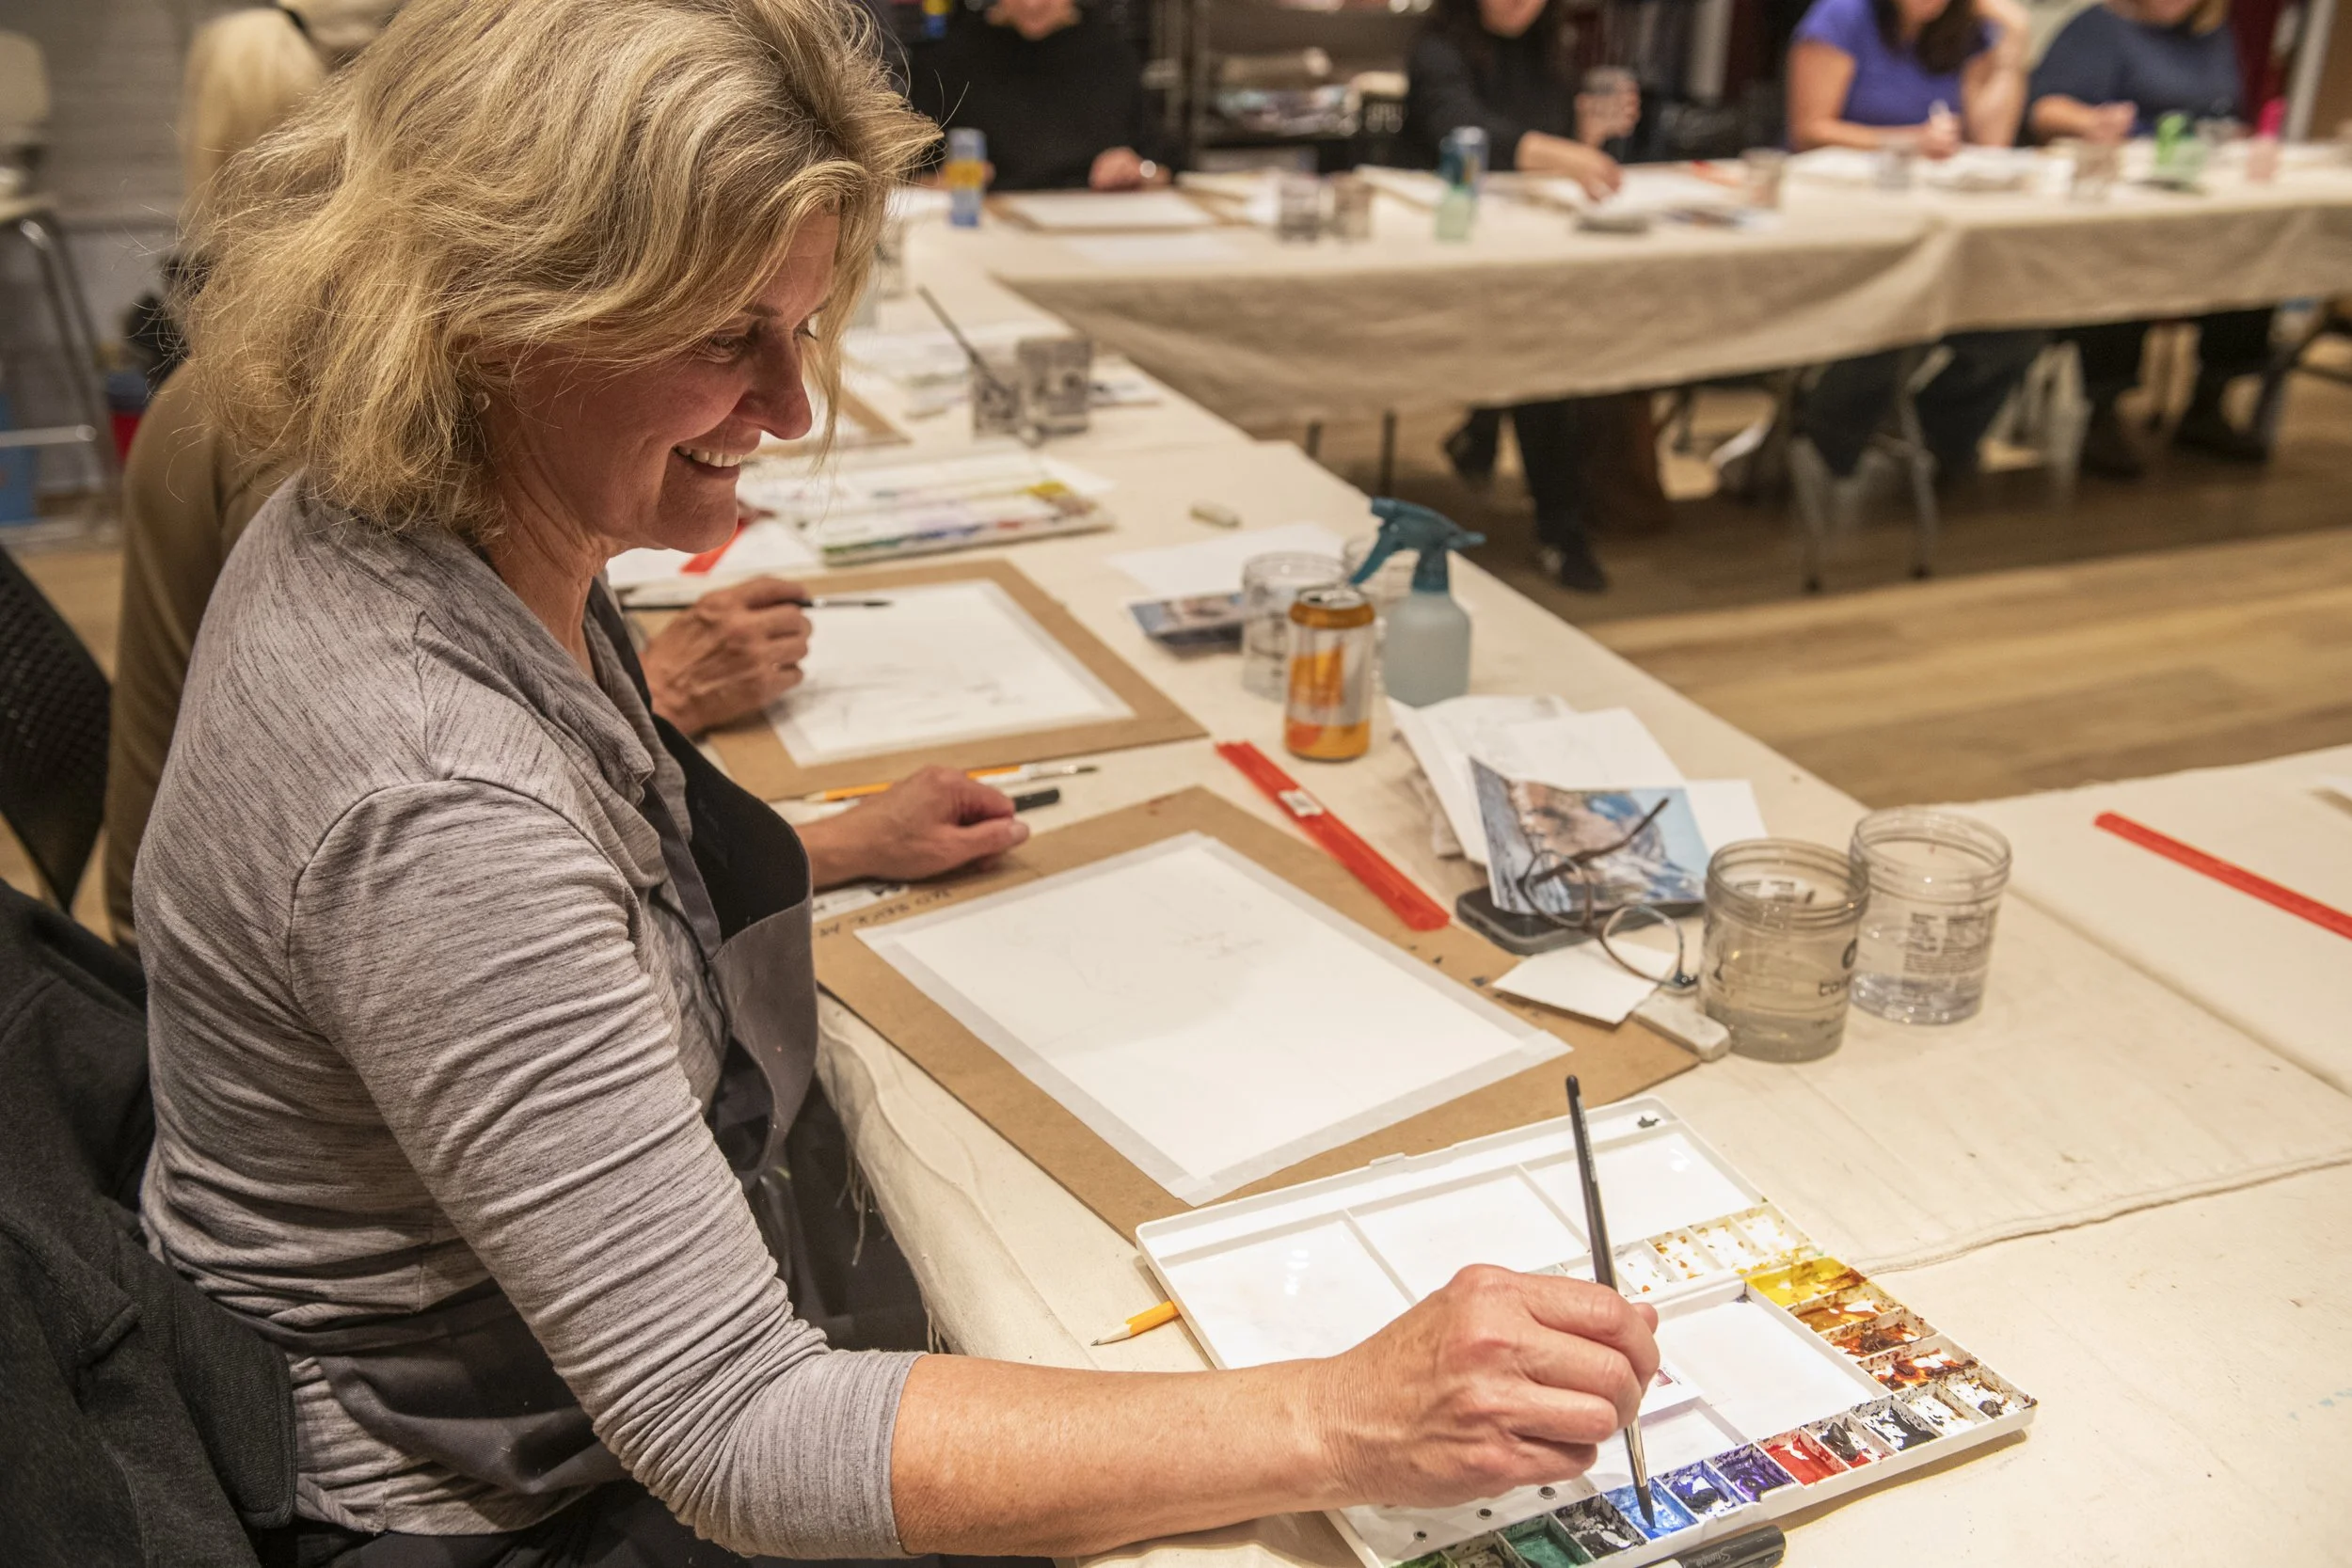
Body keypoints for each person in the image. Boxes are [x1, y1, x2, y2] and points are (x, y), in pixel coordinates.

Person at [146, 3, 1661, 1564]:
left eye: (802, 328)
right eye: (726, 338)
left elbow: (551, 908)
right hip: (487, 1494)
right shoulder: (429, 797)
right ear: (493, 314)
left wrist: (831, 841)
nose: (791, 407)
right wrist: (1343, 1415)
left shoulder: (437, 517)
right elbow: (739, 1429)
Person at [102, 0, 815, 948]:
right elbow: (433, 798)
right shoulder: (340, 445)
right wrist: (663, 691)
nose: (795, 414)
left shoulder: (302, 385)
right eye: (716, 332)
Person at [1405, 0, 1655, 594]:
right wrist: (1567, 153)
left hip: (1525, 245)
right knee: (1539, 338)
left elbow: (1549, 147)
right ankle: (1559, 524)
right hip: (1443, 246)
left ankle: (1490, 434)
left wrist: (1590, 136)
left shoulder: (1551, 49)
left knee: (1557, 327)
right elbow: (1461, 132)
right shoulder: (1436, 48)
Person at [1786, 0, 2043, 487]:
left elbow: (1992, 142)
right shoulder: (1841, 17)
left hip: (1939, 218)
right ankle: (1827, 433)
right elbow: (1810, 130)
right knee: (1903, 309)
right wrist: (1906, 141)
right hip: (1845, 215)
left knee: (2020, 316)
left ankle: (1934, 435)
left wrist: (2014, 41)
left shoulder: (1966, 29)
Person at [2029, 0, 2274, 475]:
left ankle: (2209, 402)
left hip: (2197, 196)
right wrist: (2091, 123)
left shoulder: (2212, 35)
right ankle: (2104, 410)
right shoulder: (2098, 28)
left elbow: (2228, 110)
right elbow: (2043, 109)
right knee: (2125, 259)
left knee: (2252, 248)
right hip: (2117, 198)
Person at [907, 0, 1168, 191]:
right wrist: (941, 182)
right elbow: (906, 173)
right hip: (985, 229)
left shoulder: (1112, 56)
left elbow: (1165, 164)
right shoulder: (949, 60)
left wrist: (1138, 170)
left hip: (1096, 223)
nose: (1032, 4)